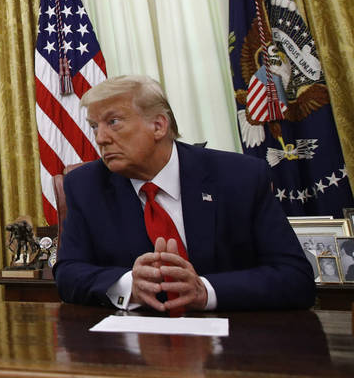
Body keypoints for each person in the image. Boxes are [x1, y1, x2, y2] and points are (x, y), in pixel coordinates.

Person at [54, 75, 315, 312]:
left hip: (235, 345)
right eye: (94, 127)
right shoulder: (85, 185)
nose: (100, 138)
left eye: (113, 122)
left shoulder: (240, 177)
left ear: (158, 125)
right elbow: (68, 273)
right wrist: (129, 285)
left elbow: (294, 278)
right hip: (133, 350)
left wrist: (205, 291)